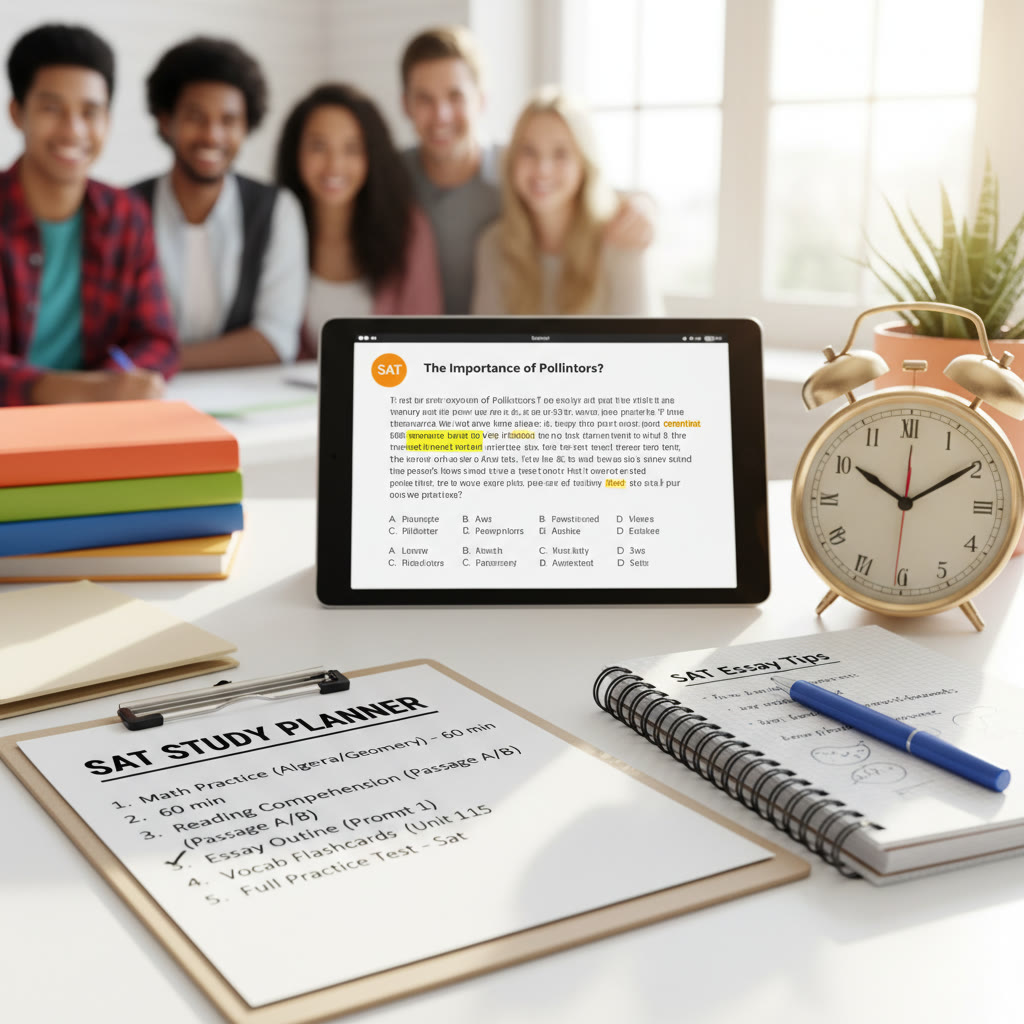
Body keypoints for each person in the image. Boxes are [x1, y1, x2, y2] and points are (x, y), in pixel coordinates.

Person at [400, 25, 655, 314]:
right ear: (405, 105)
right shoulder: (389, 180)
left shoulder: (511, 166)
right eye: (425, 99)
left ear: (481, 100)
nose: (441, 115)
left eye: (455, 96)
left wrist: (645, 204)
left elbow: (590, 188)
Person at [0, 24, 178, 406]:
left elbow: (158, 340)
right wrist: (88, 391)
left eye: (90, 111)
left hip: (100, 427)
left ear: (108, 120)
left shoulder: (127, 215)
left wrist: (117, 383)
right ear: (17, 112)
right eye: (52, 108)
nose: (73, 130)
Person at [135, 37, 306, 369]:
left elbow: (276, 340)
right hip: (145, 400)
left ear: (246, 126)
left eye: (228, 120)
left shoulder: (276, 211)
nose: (213, 135)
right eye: (196, 117)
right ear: (166, 121)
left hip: (247, 402)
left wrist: (163, 360)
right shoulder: (126, 211)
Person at [274, 83, 441, 352]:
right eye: (318, 147)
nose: (334, 165)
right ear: (296, 152)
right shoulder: (278, 228)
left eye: (352, 149)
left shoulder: (409, 231)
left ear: (371, 156)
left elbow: (424, 342)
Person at [471, 88, 660, 316]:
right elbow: (488, 345)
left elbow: (641, 345)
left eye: (561, 154)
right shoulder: (494, 245)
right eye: (529, 151)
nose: (543, 169)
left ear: (584, 165)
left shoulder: (622, 238)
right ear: (512, 161)